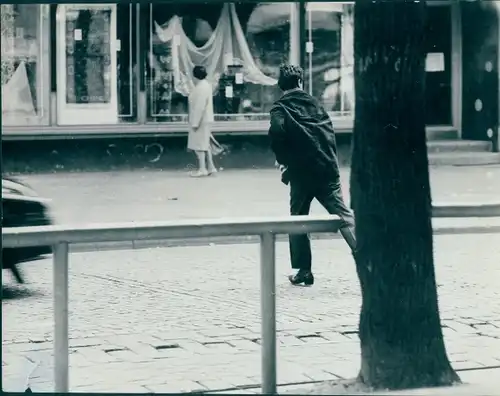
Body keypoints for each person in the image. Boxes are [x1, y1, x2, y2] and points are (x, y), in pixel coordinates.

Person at [268, 64, 357, 286]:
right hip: (327, 168)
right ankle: (368, 257)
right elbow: (327, 133)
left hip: (301, 173)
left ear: (281, 86)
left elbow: (277, 133)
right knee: (343, 216)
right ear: (300, 83)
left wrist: (284, 161)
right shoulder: (316, 104)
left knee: (298, 219)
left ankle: (303, 271)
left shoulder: (280, 108)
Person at [187, 65, 217, 177]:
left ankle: (202, 169)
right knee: (205, 144)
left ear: (195, 76)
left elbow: (200, 106)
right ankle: (211, 167)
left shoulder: (201, 88)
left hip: (201, 120)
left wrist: (195, 123)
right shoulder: (205, 85)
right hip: (205, 119)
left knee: (199, 145)